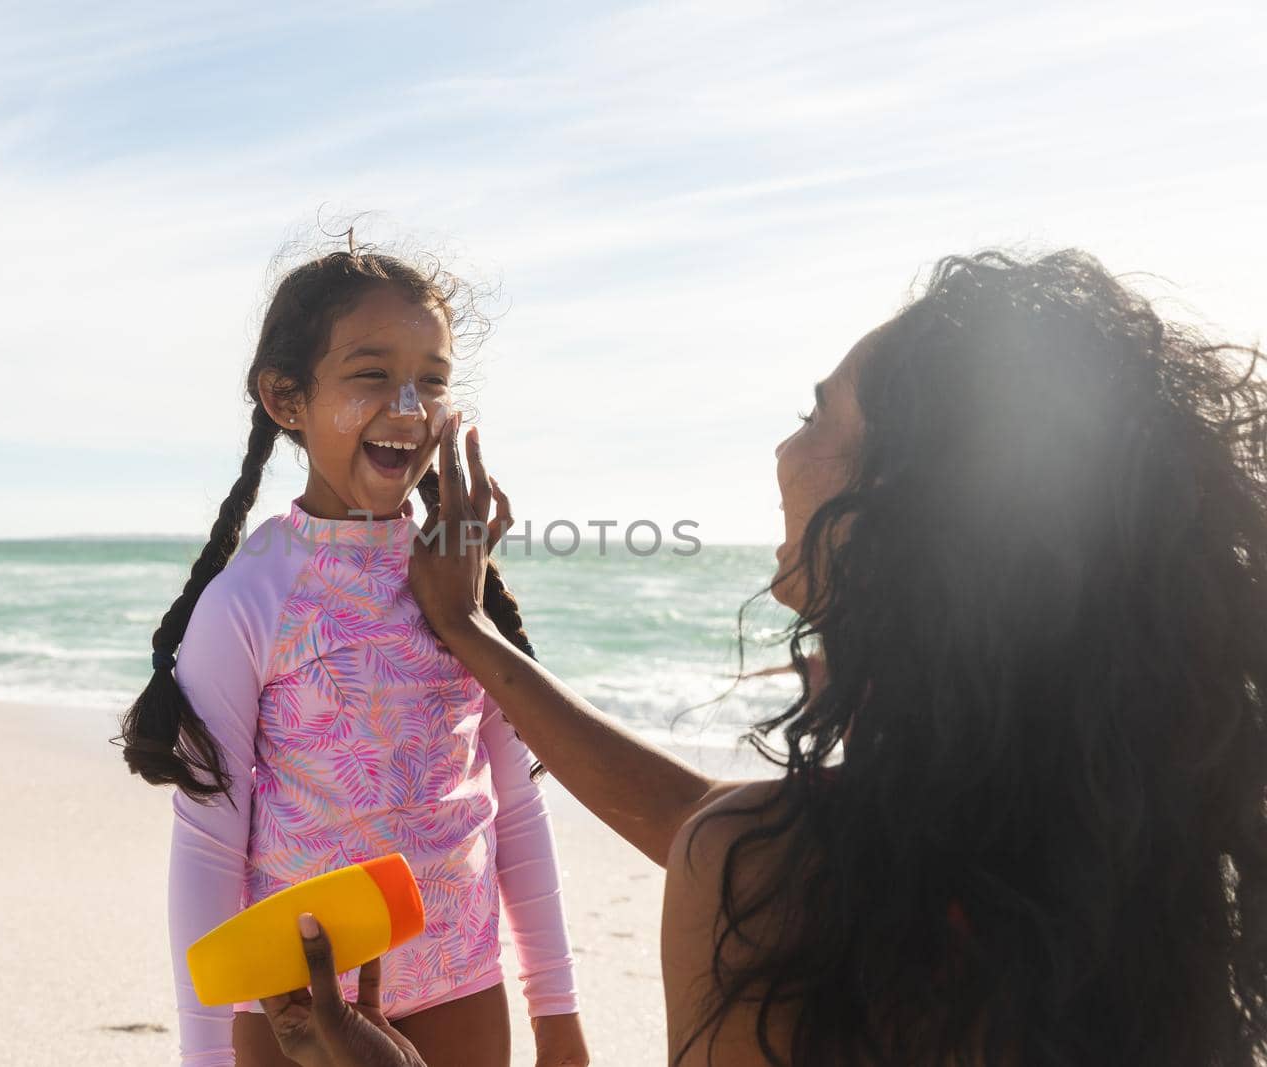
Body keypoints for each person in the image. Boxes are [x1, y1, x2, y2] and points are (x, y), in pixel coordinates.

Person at [259, 250, 1267, 1066]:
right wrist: (473, 638)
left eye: (818, 417)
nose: (785, 453)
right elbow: (719, 823)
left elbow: (739, 844)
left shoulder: (769, 886)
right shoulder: (1133, 839)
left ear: (903, 510)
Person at [117, 247, 589, 1067]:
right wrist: (206, 1052)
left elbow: (514, 807)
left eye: (433, 381)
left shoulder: (460, 582)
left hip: (460, 986)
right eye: (370, 375)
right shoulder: (251, 598)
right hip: (296, 1009)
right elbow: (207, 846)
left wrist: (556, 1011)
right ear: (287, 398)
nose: (408, 407)